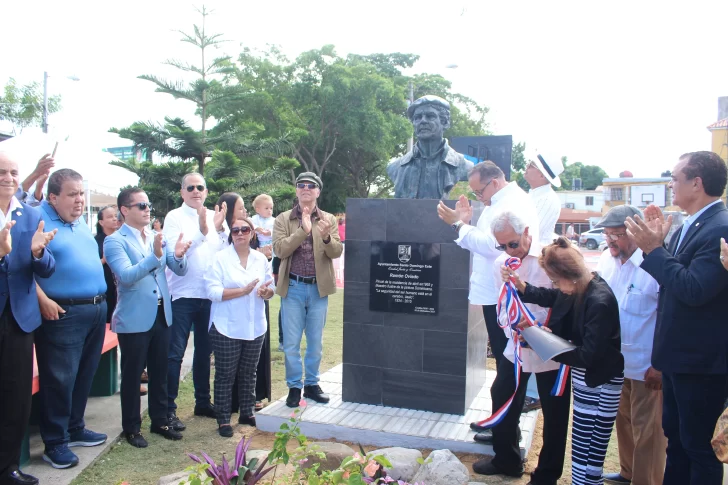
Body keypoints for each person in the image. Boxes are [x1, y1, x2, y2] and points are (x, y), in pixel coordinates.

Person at [624, 151, 728, 485]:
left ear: (696, 183)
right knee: (678, 442)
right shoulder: (691, 224)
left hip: (702, 363)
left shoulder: (720, 227)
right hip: (680, 359)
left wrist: (655, 250)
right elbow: (674, 279)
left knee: (698, 447)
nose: (670, 185)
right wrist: (660, 245)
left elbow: (695, 289)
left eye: (675, 178)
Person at [508, 237, 624, 485]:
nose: (556, 286)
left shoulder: (599, 300)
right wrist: (521, 286)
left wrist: (546, 344)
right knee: (582, 447)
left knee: (590, 448)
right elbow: (552, 297)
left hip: (600, 381)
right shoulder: (582, 286)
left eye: (555, 280)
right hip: (588, 379)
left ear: (569, 275)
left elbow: (588, 355)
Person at [471, 211, 571, 484]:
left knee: (555, 409)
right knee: (502, 393)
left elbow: (566, 300)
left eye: (512, 243)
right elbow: (499, 302)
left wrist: (545, 332)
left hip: (551, 345)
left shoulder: (551, 258)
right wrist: (511, 327)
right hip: (517, 345)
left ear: (527, 232)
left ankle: (547, 474)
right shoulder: (502, 263)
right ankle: (507, 459)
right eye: (501, 245)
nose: (507, 250)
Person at [437, 161, 540, 386]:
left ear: (494, 182)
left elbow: (493, 246)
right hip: (495, 290)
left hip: (503, 292)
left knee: (508, 363)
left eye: (479, 191)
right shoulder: (499, 201)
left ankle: (505, 419)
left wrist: (458, 225)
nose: (478, 196)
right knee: (506, 361)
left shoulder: (511, 203)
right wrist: (465, 222)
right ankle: (505, 417)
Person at [104, 188, 190, 448]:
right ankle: (131, 428)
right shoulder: (115, 241)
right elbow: (127, 276)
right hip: (134, 317)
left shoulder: (156, 236)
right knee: (132, 376)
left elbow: (178, 270)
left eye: (148, 204)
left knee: (160, 371)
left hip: (162, 313)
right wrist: (155, 256)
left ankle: (160, 420)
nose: (147, 209)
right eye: (141, 205)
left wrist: (178, 254)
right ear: (124, 210)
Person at [34, 169, 109, 469]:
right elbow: (25, 265)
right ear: (53, 197)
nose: (79, 200)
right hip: (63, 312)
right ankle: (55, 442)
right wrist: (43, 300)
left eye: (81, 194)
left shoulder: (78, 225)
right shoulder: (39, 221)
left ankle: (75, 427)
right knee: (59, 380)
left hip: (94, 309)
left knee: (84, 375)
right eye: (72, 194)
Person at [594, 205, 665, 485]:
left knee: (648, 431)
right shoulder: (605, 260)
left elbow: (667, 319)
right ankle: (628, 472)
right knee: (622, 421)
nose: (611, 241)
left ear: (635, 232)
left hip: (646, 365)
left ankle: (647, 481)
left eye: (618, 235)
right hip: (615, 361)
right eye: (607, 234)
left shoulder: (654, 265)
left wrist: (659, 364)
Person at [0, 151, 56, 485]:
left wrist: (37, 251)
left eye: (13, 172)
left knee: (16, 397)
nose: (8, 178)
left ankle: (7, 468)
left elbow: (47, 269)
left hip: (19, 318)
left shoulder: (29, 215)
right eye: (1, 172)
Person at [162, 173, 227, 430]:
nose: (196, 191)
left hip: (208, 296)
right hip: (182, 295)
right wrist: (201, 232)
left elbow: (223, 252)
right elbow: (175, 254)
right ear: (182, 192)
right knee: (175, 353)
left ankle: (203, 402)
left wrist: (219, 229)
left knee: (204, 352)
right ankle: (168, 409)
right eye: (191, 187)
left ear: (206, 191)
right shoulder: (173, 218)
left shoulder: (214, 216)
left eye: (200, 187)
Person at [272, 172, 343, 407]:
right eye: (301, 185)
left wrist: (324, 238)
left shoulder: (328, 219)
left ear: (318, 192)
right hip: (293, 287)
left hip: (317, 289)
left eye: (311, 186)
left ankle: (311, 384)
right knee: (291, 343)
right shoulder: (283, 219)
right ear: (296, 191)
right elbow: (280, 251)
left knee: (315, 341)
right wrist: (302, 230)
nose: (306, 189)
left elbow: (336, 252)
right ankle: (294, 386)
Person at [206, 216, 274, 436]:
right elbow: (212, 292)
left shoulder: (260, 259)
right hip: (227, 325)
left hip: (255, 325)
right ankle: (223, 419)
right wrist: (242, 292)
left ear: (252, 233)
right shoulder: (219, 259)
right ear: (231, 235)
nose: (240, 234)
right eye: (235, 231)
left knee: (249, 372)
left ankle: (247, 411)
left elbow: (270, 289)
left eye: (245, 229)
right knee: (226, 373)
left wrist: (266, 293)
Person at [521, 152, 564, 413]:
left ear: (542, 173)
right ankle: (528, 386)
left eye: (531, 166)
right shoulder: (532, 195)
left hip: (538, 261)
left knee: (537, 319)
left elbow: (534, 232)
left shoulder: (547, 199)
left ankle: (535, 392)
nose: (526, 169)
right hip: (527, 261)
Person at [387, 95, 473, 199]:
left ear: (445, 122)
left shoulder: (465, 167)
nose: (423, 121)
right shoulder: (396, 167)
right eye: (417, 118)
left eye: (430, 116)